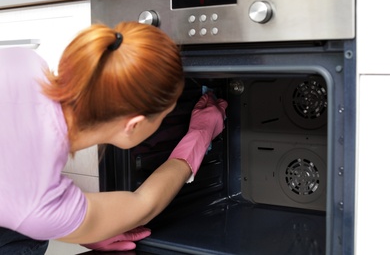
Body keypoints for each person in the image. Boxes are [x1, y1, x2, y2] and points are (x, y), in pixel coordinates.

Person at [0, 21, 227, 254]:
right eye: (165, 116)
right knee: (25, 242)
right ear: (133, 125)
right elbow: (144, 204)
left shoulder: (25, 61)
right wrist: (200, 134)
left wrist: (75, 222)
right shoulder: (37, 201)